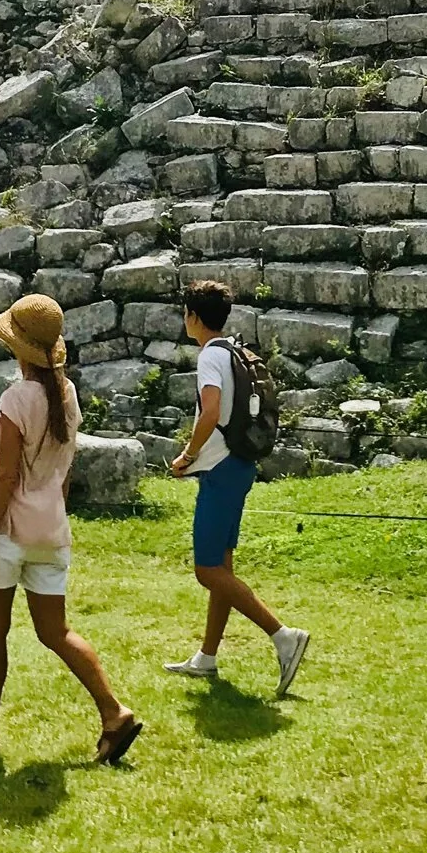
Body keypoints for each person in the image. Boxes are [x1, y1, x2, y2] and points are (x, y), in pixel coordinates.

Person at [0, 293, 143, 764]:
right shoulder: (67, 393)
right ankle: (113, 711)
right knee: (55, 632)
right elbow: (63, 469)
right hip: (52, 530)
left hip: (11, 532)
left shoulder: (17, 397)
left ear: (18, 347)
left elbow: (6, 477)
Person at [166, 280, 311, 695]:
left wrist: (187, 455)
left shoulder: (211, 355)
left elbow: (210, 410)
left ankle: (284, 636)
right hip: (239, 464)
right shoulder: (232, 349)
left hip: (220, 470)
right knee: (222, 570)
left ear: (193, 316)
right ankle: (206, 659)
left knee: (206, 570)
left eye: (185, 313)